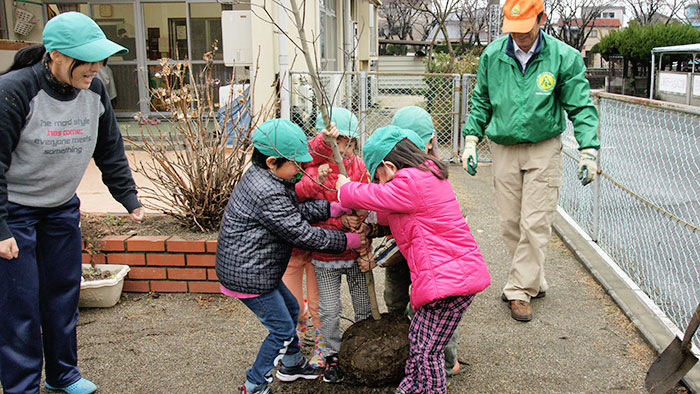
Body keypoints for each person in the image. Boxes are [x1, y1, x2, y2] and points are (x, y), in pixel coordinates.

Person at [0, 12, 144, 394]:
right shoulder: (14, 91)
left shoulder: (93, 93)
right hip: (14, 210)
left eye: (100, 60)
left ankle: (62, 374)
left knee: (63, 293)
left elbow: (109, 147)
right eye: (88, 59)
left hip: (61, 207)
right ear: (58, 55)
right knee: (20, 305)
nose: (96, 69)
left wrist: (127, 196)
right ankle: (22, 387)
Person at [461, 0, 600, 322]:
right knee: (511, 223)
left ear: (542, 19)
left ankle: (519, 290)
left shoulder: (563, 57)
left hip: (543, 146)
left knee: (535, 222)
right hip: (504, 146)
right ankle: (532, 278)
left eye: (526, 29)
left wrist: (588, 150)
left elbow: (580, 105)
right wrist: (470, 139)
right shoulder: (493, 55)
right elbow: (482, 99)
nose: (520, 37)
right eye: (514, 30)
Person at [336, 125, 491, 394]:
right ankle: (410, 387)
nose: (379, 184)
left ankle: (430, 390)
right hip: (447, 279)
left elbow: (376, 196)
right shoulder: (426, 175)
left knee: (428, 350)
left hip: (448, 283)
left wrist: (345, 189)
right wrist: (367, 223)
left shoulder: (411, 181)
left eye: (378, 177)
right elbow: (391, 213)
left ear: (389, 166)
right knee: (418, 338)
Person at [215, 118, 363, 394]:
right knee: (282, 330)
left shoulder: (264, 178)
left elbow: (293, 212)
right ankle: (255, 383)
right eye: (294, 164)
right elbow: (301, 234)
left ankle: (292, 364)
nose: (299, 170)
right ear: (272, 162)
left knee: (293, 311)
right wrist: (347, 240)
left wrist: (331, 210)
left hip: (258, 268)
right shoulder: (267, 192)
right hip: (250, 276)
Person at [293, 107, 371, 383]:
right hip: (325, 256)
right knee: (329, 309)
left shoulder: (359, 166)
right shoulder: (314, 168)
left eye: (348, 141)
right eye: (337, 141)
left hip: (354, 252)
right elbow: (302, 196)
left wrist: (358, 220)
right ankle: (331, 354)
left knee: (363, 304)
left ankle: (363, 348)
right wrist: (322, 177)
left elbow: (366, 197)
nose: (344, 147)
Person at [390, 106, 461, 377]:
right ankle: (406, 351)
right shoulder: (408, 168)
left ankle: (442, 360)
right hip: (402, 250)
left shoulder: (432, 173)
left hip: (428, 255)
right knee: (397, 297)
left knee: (434, 309)